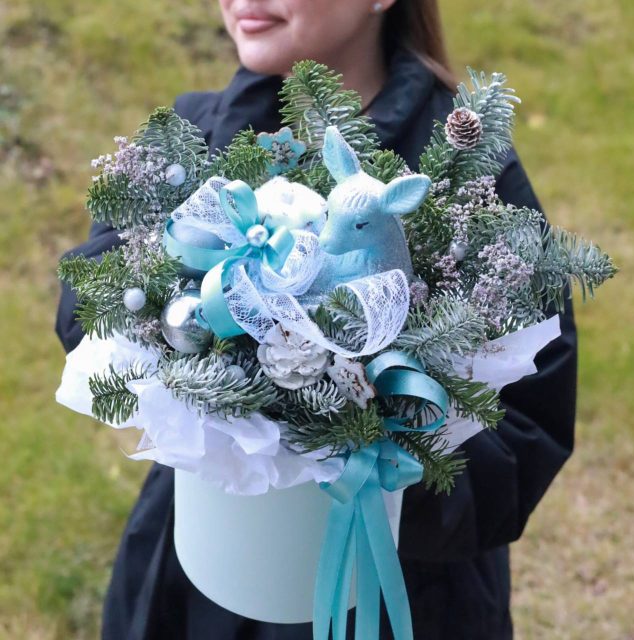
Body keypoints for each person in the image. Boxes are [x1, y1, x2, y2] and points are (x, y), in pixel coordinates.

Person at [56, 1, 578, 638]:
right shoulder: (194, 137)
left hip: (392, 592)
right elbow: (91, 295)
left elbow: (527, 428)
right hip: (205, 573)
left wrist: (372, 469)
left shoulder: (466, 182)